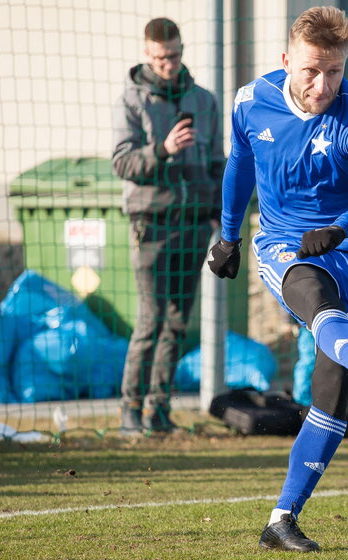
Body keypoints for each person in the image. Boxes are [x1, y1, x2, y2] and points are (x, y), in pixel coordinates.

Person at [206, 6, 348, 552]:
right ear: (286, 62)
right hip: (286, 244)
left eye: (335, 72)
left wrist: (342, 228)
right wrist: (229, 237)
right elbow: (239, 166)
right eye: (310, 71)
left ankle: (281, 520)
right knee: (310, 292)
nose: (322, 85)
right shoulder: (252, 102)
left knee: (329, 395)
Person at [112, 17, 224, 435]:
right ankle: (129, 412)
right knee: (150, 321)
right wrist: (162, 149)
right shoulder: (132, 101)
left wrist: (216, 212)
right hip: (151, 226)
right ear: (147, 54)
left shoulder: (204, 101)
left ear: (182, 51)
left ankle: (159, 413)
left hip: (193, 226)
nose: (168, 65)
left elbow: (218, 163)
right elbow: (122, 162)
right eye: (161, 58)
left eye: (174, 56)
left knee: (177, 323)